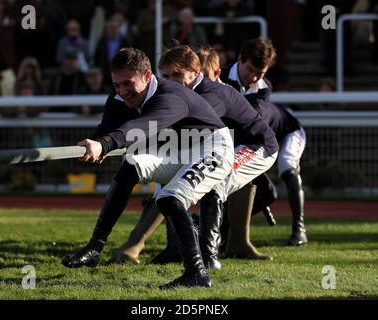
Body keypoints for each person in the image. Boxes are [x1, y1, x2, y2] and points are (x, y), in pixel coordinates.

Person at [61, 47, 235, 289]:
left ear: (147, 76)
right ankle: (95, 248)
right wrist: (97, 143)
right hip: (177, 149)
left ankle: (197, 274)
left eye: (127, 83)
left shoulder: (171, 96)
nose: (121, 91)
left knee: (169, 197)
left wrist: (105, 144)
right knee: (130, 166)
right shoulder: (119, 97)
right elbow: (107, 126)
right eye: (116, 85)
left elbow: (140, 127)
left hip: (213, 147)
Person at [113, 45, 278, 267]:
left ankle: (207, 257)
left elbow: (186, 129)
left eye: (177, 75)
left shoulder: (210, 95)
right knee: (176, 182)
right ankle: (177, 248)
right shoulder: (184, 92)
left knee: (215, 181)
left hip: (257, 146)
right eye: (167, 76)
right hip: (227, 146)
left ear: (194, 71)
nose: (170, 81)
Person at [222, 37, 308, 246]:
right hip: (252, 139)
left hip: (287, 132)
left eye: (260, 73)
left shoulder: (264, 88)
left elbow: (241, 125)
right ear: (240, 59)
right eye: (250, 70)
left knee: (287, 167)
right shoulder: (220, 76)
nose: (253, 77)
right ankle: (222, 228)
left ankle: (300, 229)